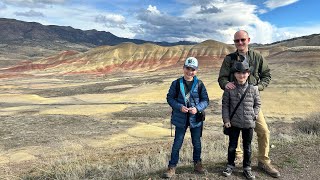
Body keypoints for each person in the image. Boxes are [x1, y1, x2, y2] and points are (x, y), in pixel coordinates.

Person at [218, 30, 280, 178]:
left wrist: (258, 88)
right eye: (237, 41)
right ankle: (237, 157)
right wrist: (226, 84)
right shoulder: (230, 59)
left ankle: (263, 161)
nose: (240, 43)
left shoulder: (257, 57)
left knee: (263, 130)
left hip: (251, 103)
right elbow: (222, 78)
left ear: (248, 40)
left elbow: (267, 75)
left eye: (242, 40)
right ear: (234, 42)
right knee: (235, 132)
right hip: (234, 102)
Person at [163, 57, 209, 178]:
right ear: (183, 68)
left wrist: (197, 108)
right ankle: (172, 167)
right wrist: (179, 107)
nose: (190, 71)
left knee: (197, 143)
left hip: (195, 119)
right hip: (180, 118)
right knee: (177, 143)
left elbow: (205, 100)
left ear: (196, 70)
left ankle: (197, 164)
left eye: (193, 69)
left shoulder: (199, 84)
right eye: (188, 68)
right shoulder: (176, 83)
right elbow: (170, 98)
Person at [222, 61, 261, 180]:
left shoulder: (253, 89)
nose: (241, 75)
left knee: (247, 147)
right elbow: (225, 105)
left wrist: (254, 114)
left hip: (249, 123)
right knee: (232, 146)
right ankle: (230, 165)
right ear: (234, 74)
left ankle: (247, 168)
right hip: (234, 123)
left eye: (244, 72)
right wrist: (226, 120)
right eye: (238, 72)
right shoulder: (229, 89)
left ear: (248, 73)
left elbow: (257, 104)